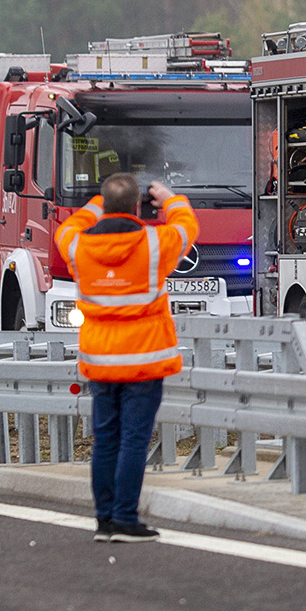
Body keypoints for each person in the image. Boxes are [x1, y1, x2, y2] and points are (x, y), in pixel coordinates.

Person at [55, 173, 198, 543]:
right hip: (144, 361)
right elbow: (187, 226)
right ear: (138, 206)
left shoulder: (77, 245)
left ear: (104, 205)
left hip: (101, 360)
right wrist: (169, 199)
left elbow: (68, 227)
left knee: (105, 440)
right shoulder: (154, 243)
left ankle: (105, 521)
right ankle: (125, 518)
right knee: (133, 440)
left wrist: (97, 204)